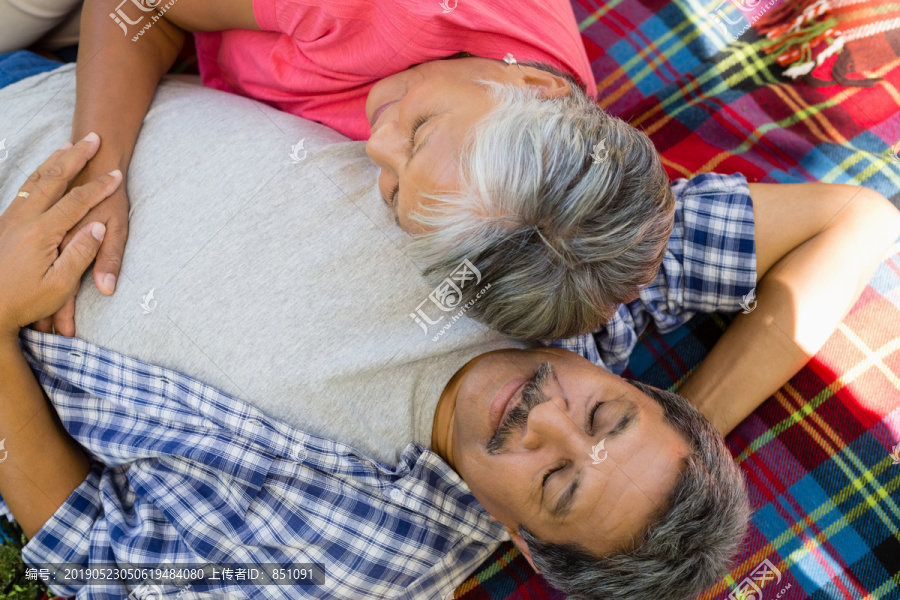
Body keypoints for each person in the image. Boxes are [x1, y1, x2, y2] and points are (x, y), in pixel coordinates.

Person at [1, 59, 898, 600]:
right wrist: (700, 421)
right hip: (74, 87)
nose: (539, 412)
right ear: (636, 388)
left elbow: (93, 554)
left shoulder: (371, 562)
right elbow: (858, 222)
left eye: (553, 480)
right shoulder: (580, 287)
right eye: (606, 418)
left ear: (520, 542)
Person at [49, 0, 677, 345]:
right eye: (422, 129)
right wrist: (98, 177)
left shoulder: (554, 134)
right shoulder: (385, 10)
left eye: (396, 190)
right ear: (534, 84)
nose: (377, 143)